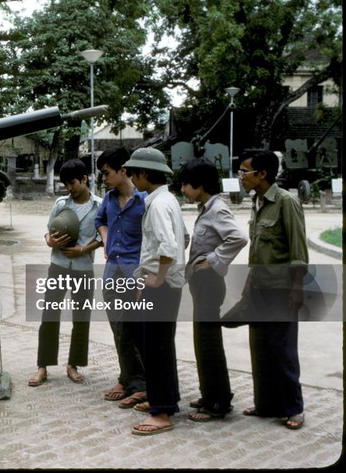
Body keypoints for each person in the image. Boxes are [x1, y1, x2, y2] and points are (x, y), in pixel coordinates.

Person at [237, 148, 308, 430]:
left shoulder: (286, 202)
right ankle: (266, 404)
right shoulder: (258, 202)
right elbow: (257, 250)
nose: (240, 176)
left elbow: (298, 250)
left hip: (281, 290)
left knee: (283, 350)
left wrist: (297, 289)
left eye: (245, 171)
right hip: (259, 288)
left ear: (262, 174)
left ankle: (294, 408)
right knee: (261, 348)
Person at [178, 158, 247, 422]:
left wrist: (214, 260)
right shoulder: (206, 208)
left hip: (209, 283)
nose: (182, 189)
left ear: (200, 185)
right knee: (204, 341)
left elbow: (238, 238)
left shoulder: (217, 209)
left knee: (208, 343)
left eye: (186, 184)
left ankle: (217, 403)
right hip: (202, 283)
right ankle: (211, 395)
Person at [124, 147, 185, 436]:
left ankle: (161, 412)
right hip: (161, 283)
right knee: (158, 345)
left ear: (144, 174)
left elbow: (169, 247)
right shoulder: (165, 199)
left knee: (157, 347)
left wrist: (158, 278)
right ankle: (165, 399)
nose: (132, 178)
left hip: (161, 286)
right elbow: (178, 241)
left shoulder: (159, 204)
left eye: (134, 173)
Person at [29, 159, 103, 387]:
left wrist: (84, 248)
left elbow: (103, 236)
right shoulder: (61, 204)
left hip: (84, 268)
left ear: (84, 179)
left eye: (73, 183)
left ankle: (73, 365)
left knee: (81, 318)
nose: (69, 188)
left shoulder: (99, 206)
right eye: (66, 184)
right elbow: (48, 232)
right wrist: (49, 241)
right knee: (49, 315)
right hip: (58, 266)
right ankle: (42, 366)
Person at [94, 148, 148, 406]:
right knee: (119, 330)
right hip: (111, 273)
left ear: (123, 170)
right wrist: (105, 239)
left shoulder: (146, 200)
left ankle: (140, 384)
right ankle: (127, 378)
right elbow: (99, 221)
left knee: (135, 331)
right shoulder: (109, 198)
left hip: (135, 274)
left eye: (106, 173)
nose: (103, 178)